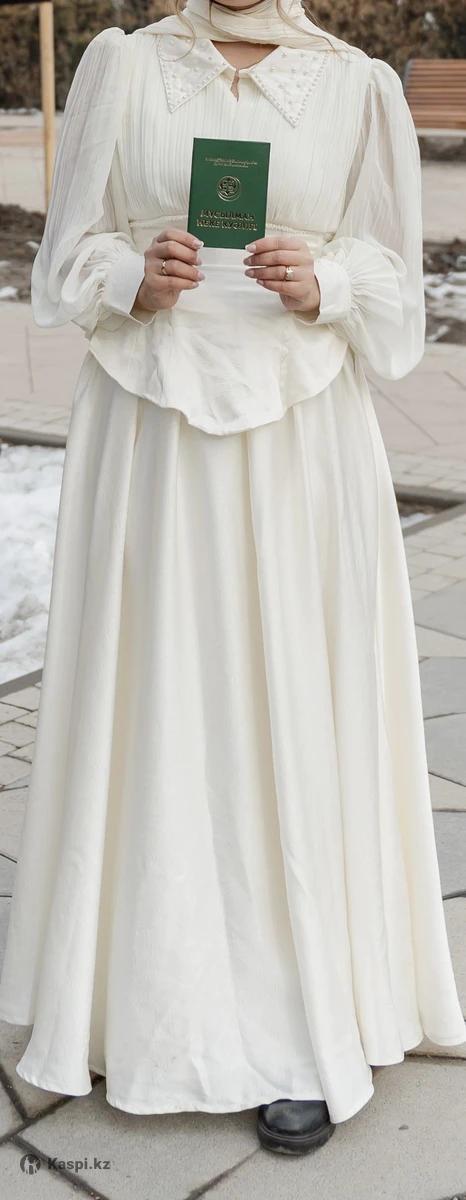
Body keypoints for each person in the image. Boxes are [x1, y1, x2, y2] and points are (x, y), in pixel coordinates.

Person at [0, 0, 465, 1160]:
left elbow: (395, 298)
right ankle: (140, 1009)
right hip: (150, 437)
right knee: (157, 706)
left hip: (300, 445)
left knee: (291, 711)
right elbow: (64, 262)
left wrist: (327, 281)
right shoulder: (123, 64)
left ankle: (297, 1027)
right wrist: (130, 273)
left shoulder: (356, 86)